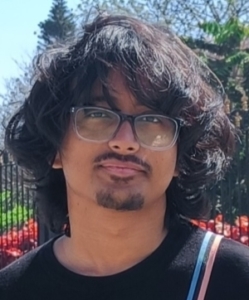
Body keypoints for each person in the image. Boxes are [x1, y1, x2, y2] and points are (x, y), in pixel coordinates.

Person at [0, 11, 249, 300]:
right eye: (97, 115)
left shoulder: (233, 281)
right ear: (54, 146)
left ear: (181, 156)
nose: (125, 142)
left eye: (153, 120)